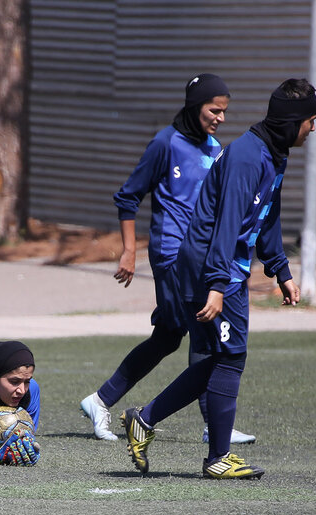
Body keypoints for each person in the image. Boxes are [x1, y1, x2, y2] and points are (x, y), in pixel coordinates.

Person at [120, 78, 316, 479]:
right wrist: (216, 285)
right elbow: (226, 224)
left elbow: (266, 218)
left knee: (220, 359)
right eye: (310, 121)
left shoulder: (273, 152)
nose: (312, 128)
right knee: (231, 357)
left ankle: (146, 420)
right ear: (293, 121)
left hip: (222, 267)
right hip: (215, 267)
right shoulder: (248, 157)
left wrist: (280, 269)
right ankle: (216, 458)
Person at [80, 73, 255, 446]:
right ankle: (213, 425)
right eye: (215, 110)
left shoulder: (214, 148)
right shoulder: (165, 143)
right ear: (195, 106)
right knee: (204, 335)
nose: (221, 118)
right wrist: (129, 250)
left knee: (169, 336)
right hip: (172, 254)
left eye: (225, 112)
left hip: (200, 257)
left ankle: (100, 400)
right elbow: (128, 196)